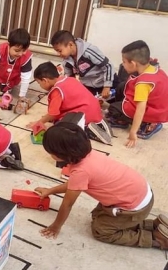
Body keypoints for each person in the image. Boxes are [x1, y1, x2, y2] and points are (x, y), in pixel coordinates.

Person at [34, 123, 167, 249]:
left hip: (133, 208)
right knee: (97, 216)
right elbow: (74, 186)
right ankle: (155, 225)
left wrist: (55, 227)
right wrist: (50, 191)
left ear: (61, 155)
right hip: (142, 194)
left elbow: (67, 204)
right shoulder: (89, 154)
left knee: (100, 231)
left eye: (50, 152)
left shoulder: (81, 172)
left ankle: (156, 239)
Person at [30, 61, 112, 145]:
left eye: (39, 83)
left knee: (59, 130)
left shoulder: (56, 90)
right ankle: (98, 123)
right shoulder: (69, 79)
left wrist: (38, 123)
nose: (40, 86)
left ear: (45, 80)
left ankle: (87, 130)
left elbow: (53, 114)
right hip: (95, 110)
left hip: (84, 116)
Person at [106, 40, 168, 146]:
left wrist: (133, 132)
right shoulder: (155, 70)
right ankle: (149, 121)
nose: (123, 64)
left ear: (133, 63)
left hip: (151, 112)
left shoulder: (143, 84)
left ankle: (146, 124)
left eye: (124, 62)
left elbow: (140, 109)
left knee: (112, 108)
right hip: (160, 108)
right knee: (122, 86)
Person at [50, 30, 116, 100]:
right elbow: (70, 78)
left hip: (108, 83)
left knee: (113, 106)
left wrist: (107, 86)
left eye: (60, 51)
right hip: (90, 87)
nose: (58, 54)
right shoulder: (66, 61)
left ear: (70, 45)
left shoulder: (88, 51)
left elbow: (108, 66)